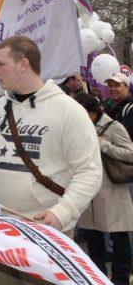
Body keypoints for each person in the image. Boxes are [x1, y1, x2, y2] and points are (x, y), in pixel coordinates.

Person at [0, 36, 101, 284]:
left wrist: (62, 213)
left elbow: (89, 171)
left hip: (46, 235)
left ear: (23, 64)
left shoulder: (69, 111)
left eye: (0, 64)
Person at [74, 92, 133, 285]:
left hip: (111, 191)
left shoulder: (113, 127)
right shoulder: (78, 128)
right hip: (88, 192)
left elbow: (130, 153)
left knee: (119, 236)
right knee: (93, 239)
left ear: (92, 113)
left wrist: (104, 145)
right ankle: (98, 278)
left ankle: (121, 279)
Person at [103, 72, 133, 140]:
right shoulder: (105, 106)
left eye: (117, 85)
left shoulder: (130, 108)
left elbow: (121, 134)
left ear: (127, 87)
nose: (113, 89)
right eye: (110, 85)